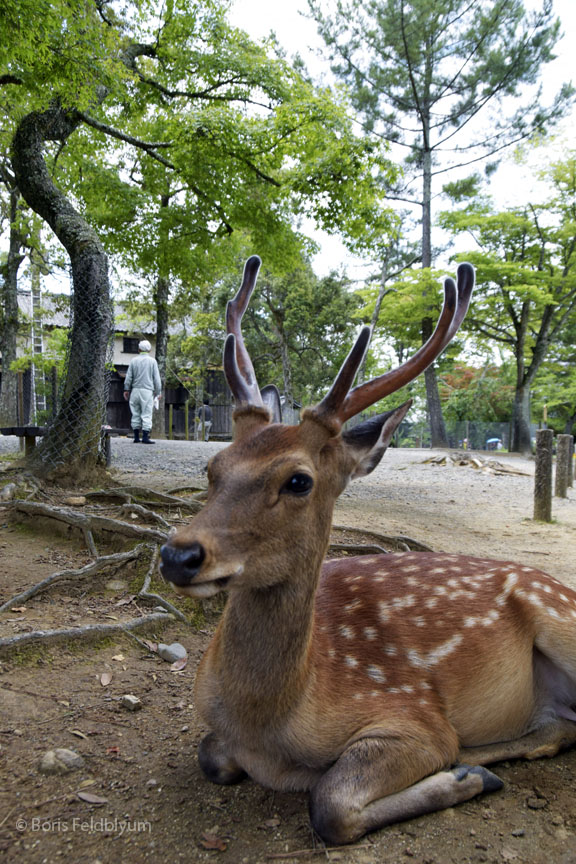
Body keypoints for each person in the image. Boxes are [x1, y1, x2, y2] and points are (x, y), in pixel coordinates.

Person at [123, 340, 162, 444]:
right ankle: (145, 437)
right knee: (147, 413)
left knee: (135, 413)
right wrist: (158, 392)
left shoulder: (133, 360)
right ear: (149, 349)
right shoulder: (152, 361)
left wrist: (126, 389)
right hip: (147, 390)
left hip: (135, 390)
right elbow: (157, 379)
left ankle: (136, 437)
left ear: (139, 349)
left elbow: (129, 376)